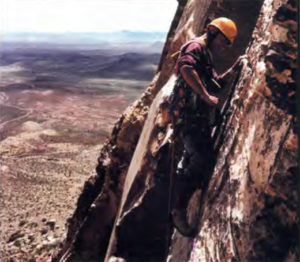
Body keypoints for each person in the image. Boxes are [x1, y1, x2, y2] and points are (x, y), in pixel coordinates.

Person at [169, 17, 246, 236]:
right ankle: (178, 209)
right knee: (202, 159)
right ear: (213, 32)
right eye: (224, 40)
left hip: (195, 117)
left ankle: (191, 183)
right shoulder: (196, 47)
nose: (225, 46)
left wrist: (234, 69)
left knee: (200, 159)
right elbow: (185, 68)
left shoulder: (206, 56)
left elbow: (215, 84)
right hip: (187, 116)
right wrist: (204, 95)